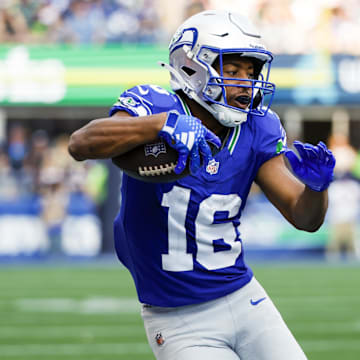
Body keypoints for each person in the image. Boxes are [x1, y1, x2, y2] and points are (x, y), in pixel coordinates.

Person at [68, 10, 335, 360]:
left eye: (251, 72)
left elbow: (305, 218)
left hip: (244, 298)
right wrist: (160, 125)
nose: (246, 82)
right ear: (193, 66)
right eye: (233, 70)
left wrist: (317, 189)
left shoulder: (257, 128)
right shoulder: (156, 104)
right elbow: (81, 143)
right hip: (177, 318)